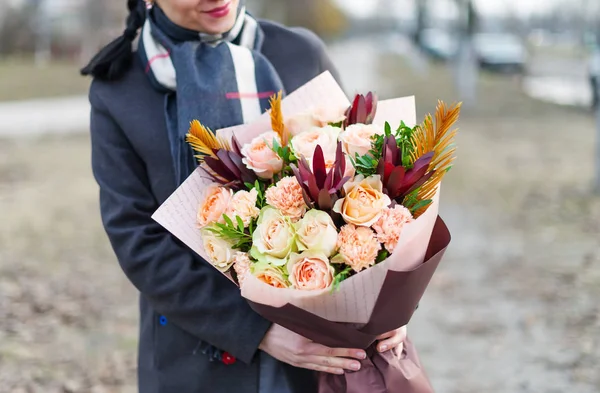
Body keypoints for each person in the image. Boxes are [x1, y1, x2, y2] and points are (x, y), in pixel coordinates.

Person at [82, 1, 407, 392]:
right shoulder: (119, 88)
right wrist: (258, 330)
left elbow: (371, 180)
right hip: (199, 353)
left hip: (328, 352)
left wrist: (391, 302)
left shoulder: (299, 53)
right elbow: (136, 239)